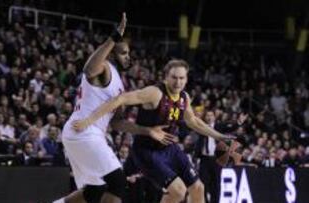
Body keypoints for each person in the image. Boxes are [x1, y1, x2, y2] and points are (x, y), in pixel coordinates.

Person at [73, 59, 234, 203]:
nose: (178, 82)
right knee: (178, 191)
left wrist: (220, 136)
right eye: (174, 77)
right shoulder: (154, 93)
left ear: (186, 79)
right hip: (146, 151)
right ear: (166, 77)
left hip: (169, 148)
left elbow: (194, 122)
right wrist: (88, 120)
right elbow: (120, 99)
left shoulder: (184, 97)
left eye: (182, 78)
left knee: (198, 188)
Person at [54, 13, 174, 203]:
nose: (128, 57)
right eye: (123, 52)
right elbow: (89, 69)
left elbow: (117, 123)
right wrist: (113, 38)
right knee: (118, 183)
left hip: (82, 133)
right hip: (84, 131)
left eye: (128, 53)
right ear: (111, 53)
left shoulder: (119, 81)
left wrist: (147, 130)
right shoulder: (105, 68)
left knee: (94, 190)